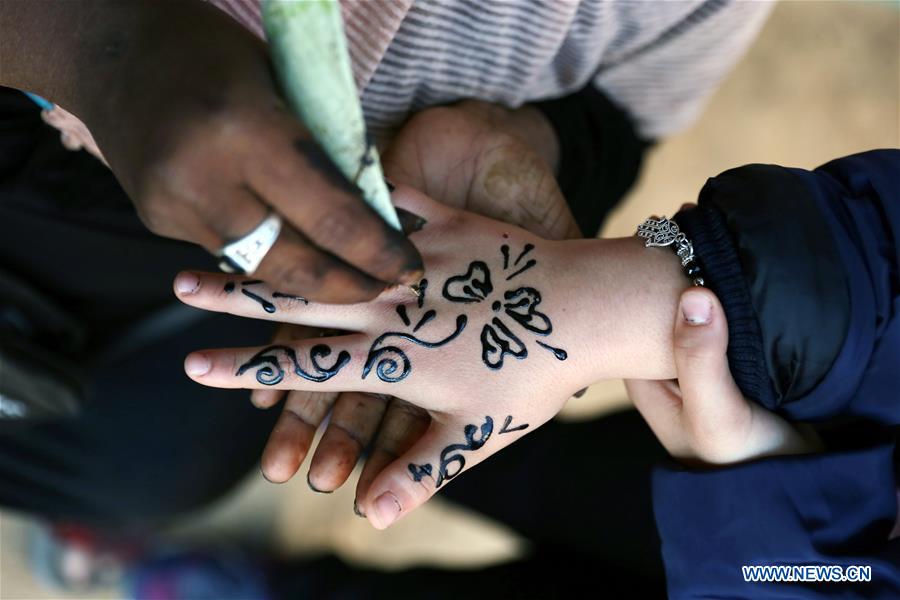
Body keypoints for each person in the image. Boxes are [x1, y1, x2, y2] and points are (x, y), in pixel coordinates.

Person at [182, 149, 900, 596]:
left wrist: (778, 542)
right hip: (801, 444)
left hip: (776, 518)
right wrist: (643, 290)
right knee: (518, 464)